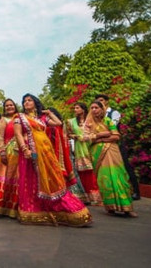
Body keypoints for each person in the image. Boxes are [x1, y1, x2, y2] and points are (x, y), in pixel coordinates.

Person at [12, 94, 92, 226]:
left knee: (51, 177)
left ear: (35, 103)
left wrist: (49, 112)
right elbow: (18, 134)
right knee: (34, 178)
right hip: (32, 153)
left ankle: (56, 206)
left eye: (29, 100)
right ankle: (35, 208)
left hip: (46, 153)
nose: (26, 102)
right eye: (24, 101)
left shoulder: (41, 119)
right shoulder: (19, 117)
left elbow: (58, 123)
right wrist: (25, 149)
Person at [86, 100, 137, 217]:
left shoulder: (108, 120)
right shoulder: (88, 124)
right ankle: (110, 207)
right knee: (105, 179)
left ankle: (127, 207)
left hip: (112, 152)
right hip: (97, 154)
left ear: (102, 109)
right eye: (92, 108)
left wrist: (99, 139)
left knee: (119, 176)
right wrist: (101, 134)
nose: (94, 110)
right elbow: (85, 138)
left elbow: (116, 136)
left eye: (96, 108)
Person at [95, 93, 140, 200]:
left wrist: (99, 134)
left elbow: (112, 128)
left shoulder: (114, 113)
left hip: (116, 143)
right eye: (98, 101)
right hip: (102, 144)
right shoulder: (97, 116)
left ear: (106, 101)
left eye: (101, 100)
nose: (100, 103)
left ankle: (135, 191)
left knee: (124, 165)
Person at [65, 102, 102, 205]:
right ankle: (86, 197)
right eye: (75, 108)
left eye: (77, 108)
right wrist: (76, 137)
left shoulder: (91, 121)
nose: (75, 110)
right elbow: (67, 134)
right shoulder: (71, 122)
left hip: (91, 147)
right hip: (79, 149)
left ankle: (96, 198)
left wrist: (89, 137)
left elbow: (97, 132)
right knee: (82, 173)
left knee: (93, 172)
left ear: (83, 109)